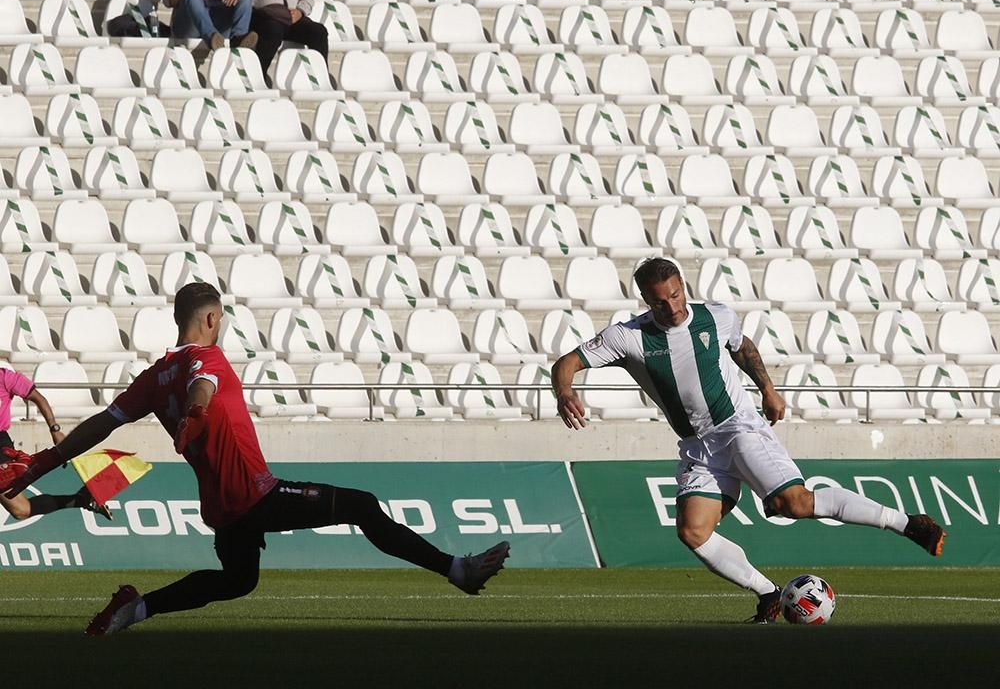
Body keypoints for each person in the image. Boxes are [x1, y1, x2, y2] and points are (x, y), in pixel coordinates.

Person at [4, 282, 509, 635]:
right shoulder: (209, 357)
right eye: (219, 319)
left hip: (221, 507)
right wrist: (197, 412)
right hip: (254, 494)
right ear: (210, 319)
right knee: (361, 504)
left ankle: (134, 610)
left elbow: (100, 425)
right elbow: (203, 385)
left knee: (238, 581)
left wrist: (43, 463)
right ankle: (456, 570)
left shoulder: (152, 378)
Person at [551, 257, 946, 623]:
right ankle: (768, 593)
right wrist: (565, 392)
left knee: (793, 503)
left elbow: (742, 348)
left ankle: (909, 524)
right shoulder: (628, 337)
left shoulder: (717, 316)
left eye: (675, 295)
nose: (671, 307)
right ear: (645, 301)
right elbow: (565, 364)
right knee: (693, 532)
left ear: (682, 286)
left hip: (738, 427)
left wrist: (768, 389)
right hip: (698, 447)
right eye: (659, 302)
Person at [0, 367, 111, 521]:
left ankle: (80, 499)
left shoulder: (5, 377)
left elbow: (38, 398)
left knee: (21, 510)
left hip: (1, 446)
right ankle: (81, 498)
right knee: (21, 510)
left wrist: (54, 429)